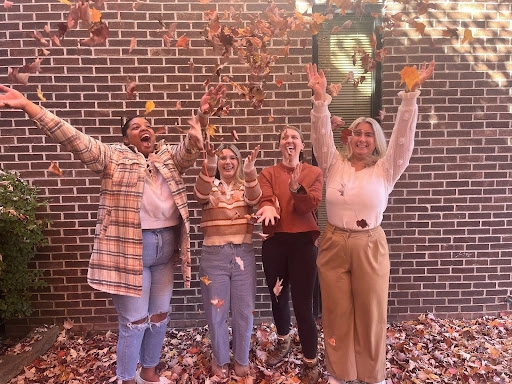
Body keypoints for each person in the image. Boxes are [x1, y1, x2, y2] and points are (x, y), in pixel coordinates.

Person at [0, 83, 226, 384]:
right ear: (126, 137)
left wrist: (202, 115)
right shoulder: (112, 157)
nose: (145, 129)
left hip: (166, 248)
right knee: (134, 322)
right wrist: (29, 106)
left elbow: (191, 145)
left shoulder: (168, 157)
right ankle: (126, 379)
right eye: (136, 127)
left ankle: (148, 372)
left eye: (148, 126)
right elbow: (72, 138)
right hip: (129, 250)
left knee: (159, 316)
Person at [306, 61, 435, 384]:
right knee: (336, 313)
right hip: (334, 242)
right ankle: (340, 373)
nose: (362, 139)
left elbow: (403, 141)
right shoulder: (334, 163)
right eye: (357, 134)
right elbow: (321, 138)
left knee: (371, 314)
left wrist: (410, 97)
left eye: (368, 134)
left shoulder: (385, 169)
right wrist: (320, 100)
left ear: (375, 140)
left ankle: (372, 376)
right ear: (349, 138)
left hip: (370, 245)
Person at [256, 126, 324, 384]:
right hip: (275, 242)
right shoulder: (268, 173)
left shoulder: (314, 172)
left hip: (303, 244)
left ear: (302, 145)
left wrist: (296, 189)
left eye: (294, 136)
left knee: (303, 304)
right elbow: (265, 197)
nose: (289, 140)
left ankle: (310, 360)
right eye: (285, 137)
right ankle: (283, 341)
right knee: (277, 297)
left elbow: (309, 206)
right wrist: (267, 206)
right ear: (280, 145)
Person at [193, 142, 261, 379]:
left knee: (243, 311)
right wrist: (209, 165)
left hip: (243, 254)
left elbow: (255, 198)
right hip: (214, 256)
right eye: (222, 158)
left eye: (233, 157)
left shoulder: (246, 185)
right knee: (216, 312)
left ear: (239, 162)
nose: (228, 161)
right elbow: (198, 194)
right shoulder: (209, 186)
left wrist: (251, 170)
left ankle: (241, 358)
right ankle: (220, 358)